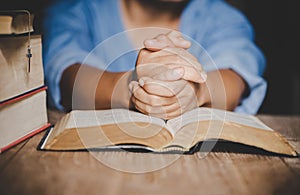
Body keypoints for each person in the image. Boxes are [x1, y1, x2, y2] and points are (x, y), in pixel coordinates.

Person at [42, 0, 266, 119]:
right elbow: (67, 76)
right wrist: (134, 87)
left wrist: (195, 91)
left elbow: (235, 78)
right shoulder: (77, 11)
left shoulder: (223, 18)